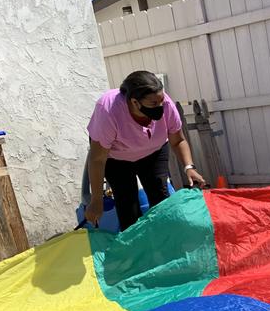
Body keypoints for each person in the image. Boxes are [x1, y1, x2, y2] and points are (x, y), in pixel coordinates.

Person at [84, 71, 206, 231]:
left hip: (153, 152)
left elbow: (178, 140)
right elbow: (97, 159)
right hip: (116, 159)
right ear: (134, 102)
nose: (161, 106)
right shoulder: (109, 111)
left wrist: (189, 167)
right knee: (127, 204)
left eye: (161, 101)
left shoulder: (165, 104)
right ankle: (136, 250)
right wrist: (96, 201)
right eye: (154, 104)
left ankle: (166, 243)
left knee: (160, 198)